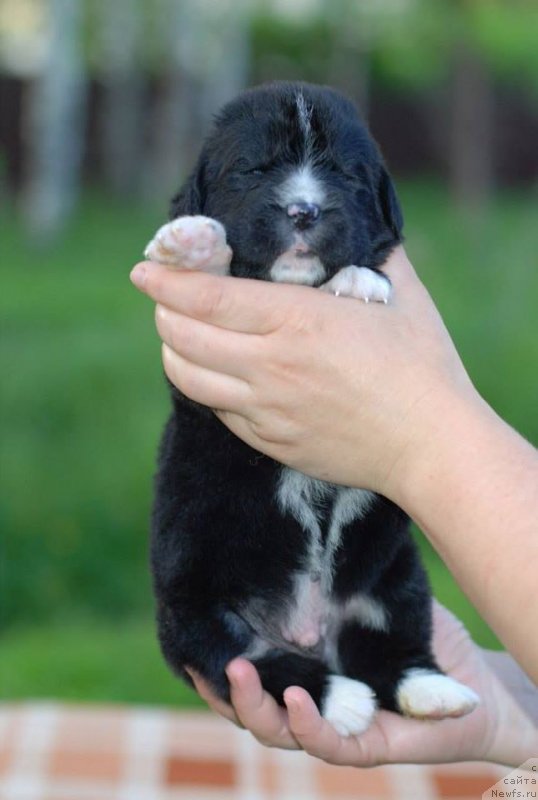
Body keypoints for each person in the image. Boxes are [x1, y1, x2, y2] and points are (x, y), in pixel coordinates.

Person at [130, 246, 538, 767]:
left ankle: (398, 668)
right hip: (242, 589)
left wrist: (421, 427)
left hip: (334, 578)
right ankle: (383, 669)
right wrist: (514, 708)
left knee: (383, 571)